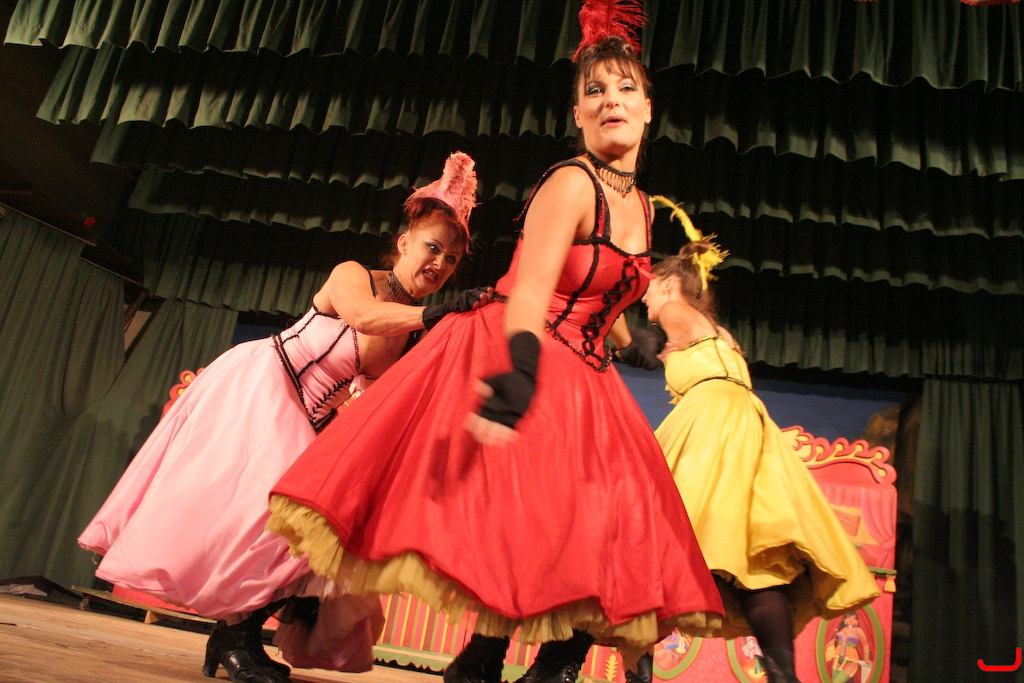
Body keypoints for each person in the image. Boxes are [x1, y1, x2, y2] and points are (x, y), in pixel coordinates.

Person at [265, 14, 725, 683]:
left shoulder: (645, 208)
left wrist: (635, 339)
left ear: (649, 107)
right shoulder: (571, 183)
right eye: (594, 91)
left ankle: (537, 663)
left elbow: (602, 287)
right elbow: (533, 289)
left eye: (625, 88)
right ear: (578, 113)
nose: (611, 101)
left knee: (618, 518)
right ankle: (489, 662)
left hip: (587, 371)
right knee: (538, 518)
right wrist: (521, 375)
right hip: (524, 347)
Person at [77, 151, 490, 683]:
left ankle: (235, 633)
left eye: (452, 260)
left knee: (320, 531)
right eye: (433, 247)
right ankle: (236, 637)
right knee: (284, 517)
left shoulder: (413, 331)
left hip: (308, 419)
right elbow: (364, 317)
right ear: (405, 242)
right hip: (264, 384)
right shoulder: (355, 276)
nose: (440, 263)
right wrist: (437, 313)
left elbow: (382, 400)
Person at [634, 198, 881, 683]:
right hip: (746, 425)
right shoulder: (720, 333)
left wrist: (627, 340)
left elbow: (651, 340)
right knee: (752, 556)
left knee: (654, 542)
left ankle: (635, 668)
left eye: (648, 290)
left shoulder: (676, 314)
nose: (645, 300)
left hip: (710, 427)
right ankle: (782, 674)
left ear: (666, 285)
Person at [826, 612, 872, 682]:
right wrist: (826, 646)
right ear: (845, 619)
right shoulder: (841, 629)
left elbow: (865, 644)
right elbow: (834, 640)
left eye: (853, 618)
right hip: (838, 656)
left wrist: (866, 658)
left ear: (856, 620)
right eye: (848, 617)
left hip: (851, 659)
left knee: (838, 680)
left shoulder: (858, 630)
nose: (850, 619)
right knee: (833, 680)